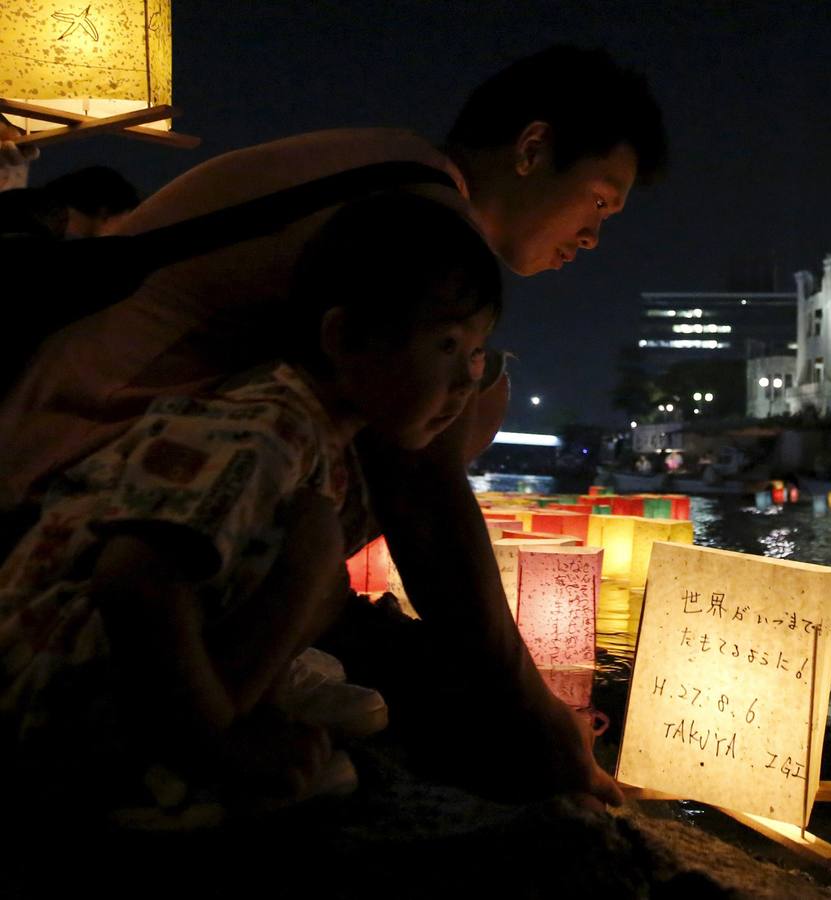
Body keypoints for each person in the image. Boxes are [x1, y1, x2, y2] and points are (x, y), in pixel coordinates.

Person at [0, 45, 666, 807]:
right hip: (51, 514)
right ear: (533, 148)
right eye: (600, 202)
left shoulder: (387, 171)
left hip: (83, 495)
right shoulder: (410, 222)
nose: (593, 237)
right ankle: (191, 735)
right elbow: (421, 496)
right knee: (359, 580)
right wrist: (533, 717)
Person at [0, 193, 500, 812]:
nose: (467, 381)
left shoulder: (318, 438)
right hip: (51, 687)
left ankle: (206, 738)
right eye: (447, 346)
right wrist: (221, 743)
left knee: (321, 567)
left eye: (478, 352)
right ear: (345, 336)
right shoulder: (263, 425)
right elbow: (136, 582)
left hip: (105, 684)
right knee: (316, 551)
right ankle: (174, 760)